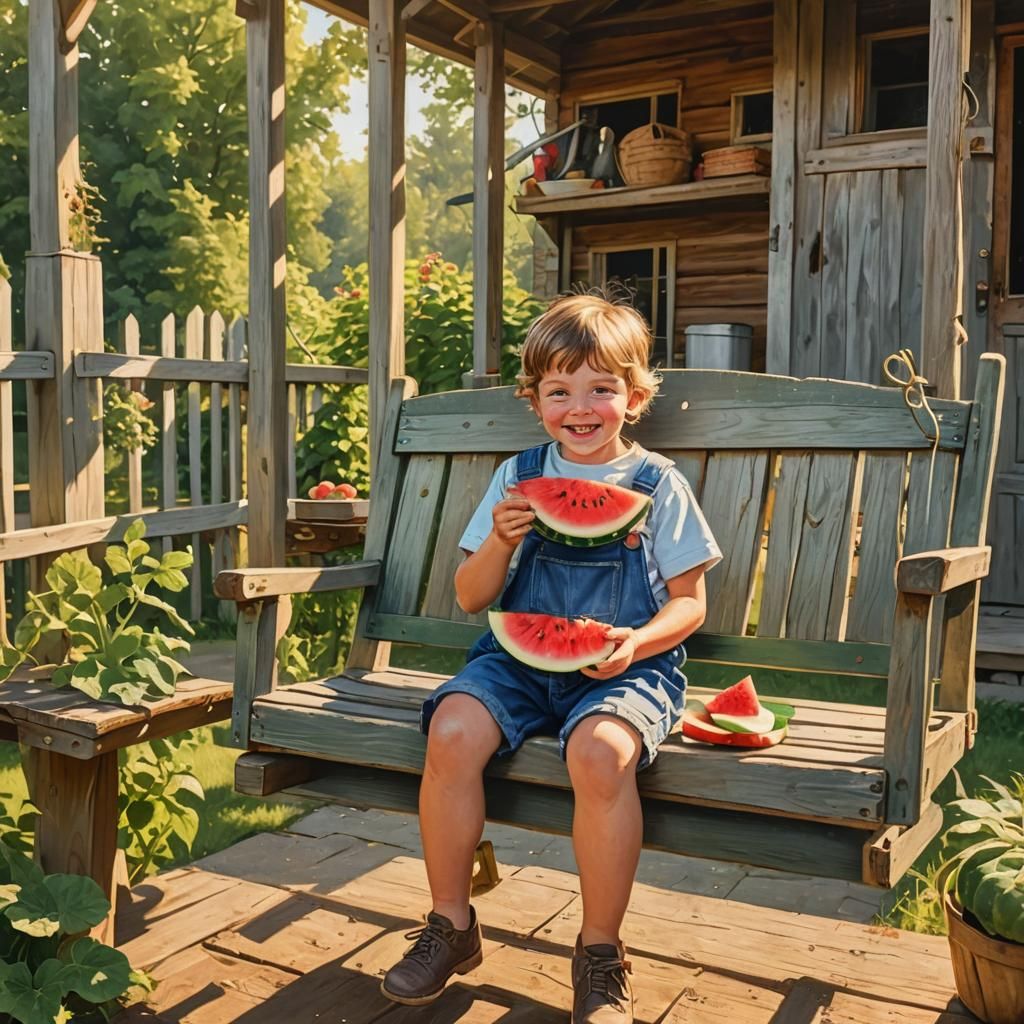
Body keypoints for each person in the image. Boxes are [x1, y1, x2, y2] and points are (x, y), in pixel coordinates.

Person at [381, 291, 722, 1022]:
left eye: (601, 388)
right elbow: (472, 597)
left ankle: (600, 952)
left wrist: (633, 640)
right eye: (559, 390)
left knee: (600, 756)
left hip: (627, 665)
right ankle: (451, 924)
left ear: (633, 397)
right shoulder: (519, 475)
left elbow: (691, 604)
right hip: (515, 661)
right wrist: (503, 540)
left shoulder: (660, 485)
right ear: (535, 400)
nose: (580, 406)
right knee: (450, 734)